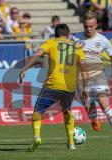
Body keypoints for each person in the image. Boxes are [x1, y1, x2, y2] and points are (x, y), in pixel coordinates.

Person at [19, 23, 89, 151]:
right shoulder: (76, 47)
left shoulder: (50, 42)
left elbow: (37, 54)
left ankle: (37, 137)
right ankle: (71, 143)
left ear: (55, 34)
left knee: (38, 111)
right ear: (68, 35)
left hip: (53, 84)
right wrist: (85, 88)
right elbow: (84, 68)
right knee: (67, 111)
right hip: (69, 86)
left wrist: (25, 68)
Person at [71, 12, 112, 144]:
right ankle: (93, 118)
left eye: (91, 26)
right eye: (85, 26)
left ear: (96, 25)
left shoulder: (103, 40)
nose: (88, 29)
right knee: (89, 106)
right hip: (81, 76)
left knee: (103, 102)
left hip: (98, 74)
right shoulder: (75, 38)